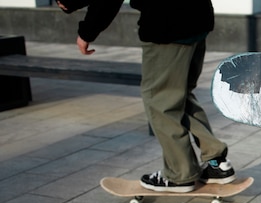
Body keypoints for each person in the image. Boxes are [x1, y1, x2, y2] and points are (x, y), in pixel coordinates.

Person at [57, 0, 235, 192]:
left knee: (160, 101)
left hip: (167, 24)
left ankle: (179, 175)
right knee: (179, 95)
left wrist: (87, 31)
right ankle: (217, 163)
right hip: (197, 18)